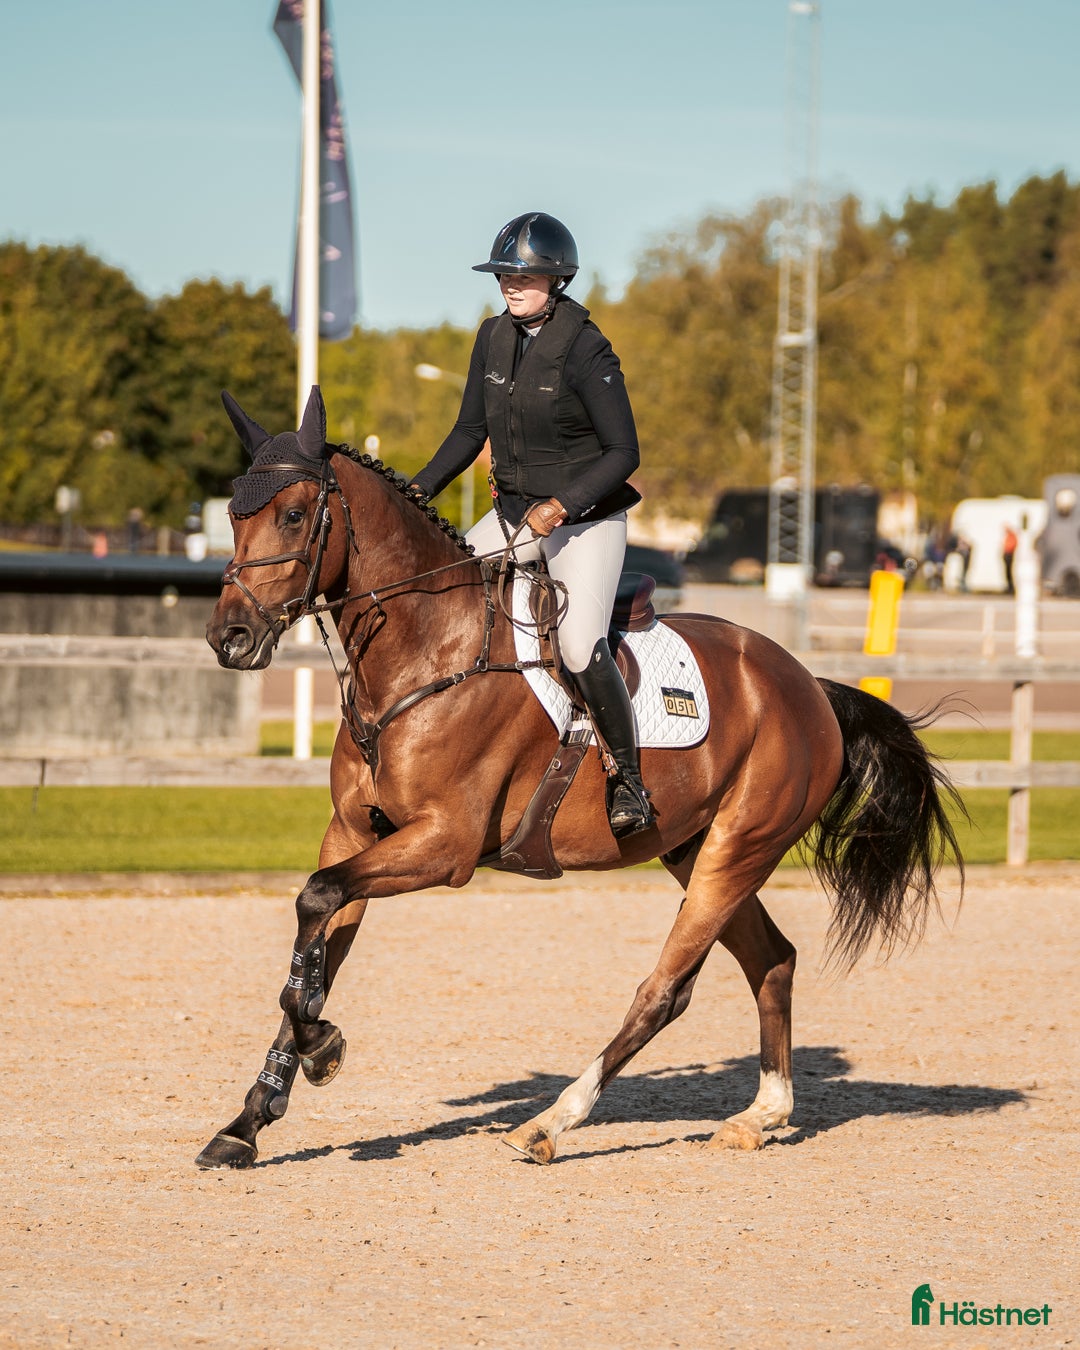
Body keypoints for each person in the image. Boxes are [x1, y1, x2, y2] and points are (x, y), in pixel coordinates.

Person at [410, 211, 653, 839]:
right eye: (504, 275)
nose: (511, 284)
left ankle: (628, 779)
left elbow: (624, 453)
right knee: (442, 594)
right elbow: (469, 431)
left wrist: (561, 505)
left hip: (583, 520)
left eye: (524, 275)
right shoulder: (491, 338)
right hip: (515, 517)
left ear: (557, 278)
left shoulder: (587, 349)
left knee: (576, 645)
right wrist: (414, 493)